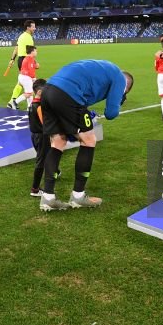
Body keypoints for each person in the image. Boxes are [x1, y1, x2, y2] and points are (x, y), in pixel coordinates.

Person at [37, 60, 133, 212]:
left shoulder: (105, 68)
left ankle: (48, 198)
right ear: (126, 87)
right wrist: (118, 101)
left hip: (49, 90)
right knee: (89, 140)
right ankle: (78, 196)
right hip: (68, 94)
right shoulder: (120, 79)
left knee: (58, 142)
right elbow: (111, 113)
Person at [6, 20, 36, 109]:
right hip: (26, 60)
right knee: (29, 83)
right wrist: (34, 63)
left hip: (20, 59)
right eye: (33, 27)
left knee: (21, 82)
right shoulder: (28, 37)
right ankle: (27, 106)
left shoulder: (21, 36)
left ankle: (13, 102)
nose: (35, 28)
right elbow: (30, 52)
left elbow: (16, 48)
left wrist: (12, 59)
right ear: (28, 27)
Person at [27, 78, 49, 197]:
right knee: (41, 160)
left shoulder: (32, 104)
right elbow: (45, 124)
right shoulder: (39, 107)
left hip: (34, 135)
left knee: (46, 155)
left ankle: (55, 171)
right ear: (40, 92)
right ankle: (35, 189)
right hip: (41, 136)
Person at [9, 45, 39, 110]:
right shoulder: (30, 59)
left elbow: (35, 67)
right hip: (26, 78)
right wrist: (34, 79)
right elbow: (31, 71)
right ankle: (15, 102)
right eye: (35, 51)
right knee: (29, 93)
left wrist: (36, 66)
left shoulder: (27, 58)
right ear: (32, 52)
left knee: (29, 91)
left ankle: (29, 107)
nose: (37, 52)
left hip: (22, 77)